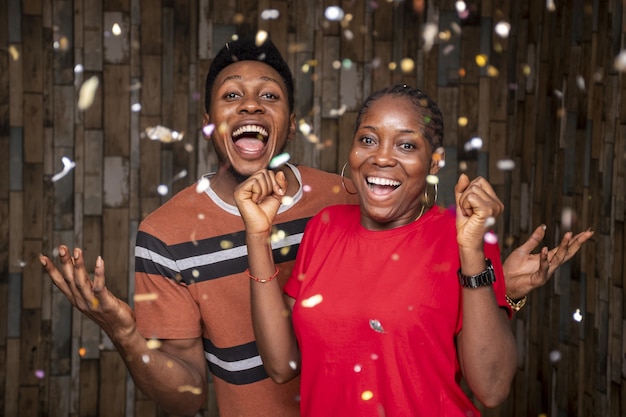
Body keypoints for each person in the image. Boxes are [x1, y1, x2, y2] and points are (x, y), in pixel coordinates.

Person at [38, 38, 593, 417]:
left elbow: (455, 334)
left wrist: (497, 287)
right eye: (231, 94)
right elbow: (209, 389)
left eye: (269, 95)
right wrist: (126, 333)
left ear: (289, 121)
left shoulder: (354, 197)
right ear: (210, 119)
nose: (250, 103)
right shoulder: (170, 233)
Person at [235, 85, 520, 415]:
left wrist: (471, 252)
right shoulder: (324, 227)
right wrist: (257, 236)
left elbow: (493, 388)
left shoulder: (462, 235)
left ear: (434, 163)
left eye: (406, 145)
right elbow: (282, 366)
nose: (382, 157)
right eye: (368, 140)